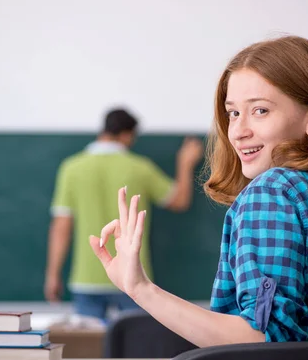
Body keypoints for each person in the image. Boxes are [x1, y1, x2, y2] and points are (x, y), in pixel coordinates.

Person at [88, 36, 308, 357]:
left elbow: (262, 343)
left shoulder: (274, 192)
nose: (239, 131)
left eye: (260, 110)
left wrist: (140, 288)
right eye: (233, 113)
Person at [44, 108, 203, 323]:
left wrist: (53, 274)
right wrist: (185, 163)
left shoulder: (72, 168)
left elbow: (61, 227)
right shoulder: (140, 168)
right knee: (133, 349)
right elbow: (179, 200)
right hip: (132, 276)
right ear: (127, 135)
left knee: (88, 351)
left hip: (87, 278)